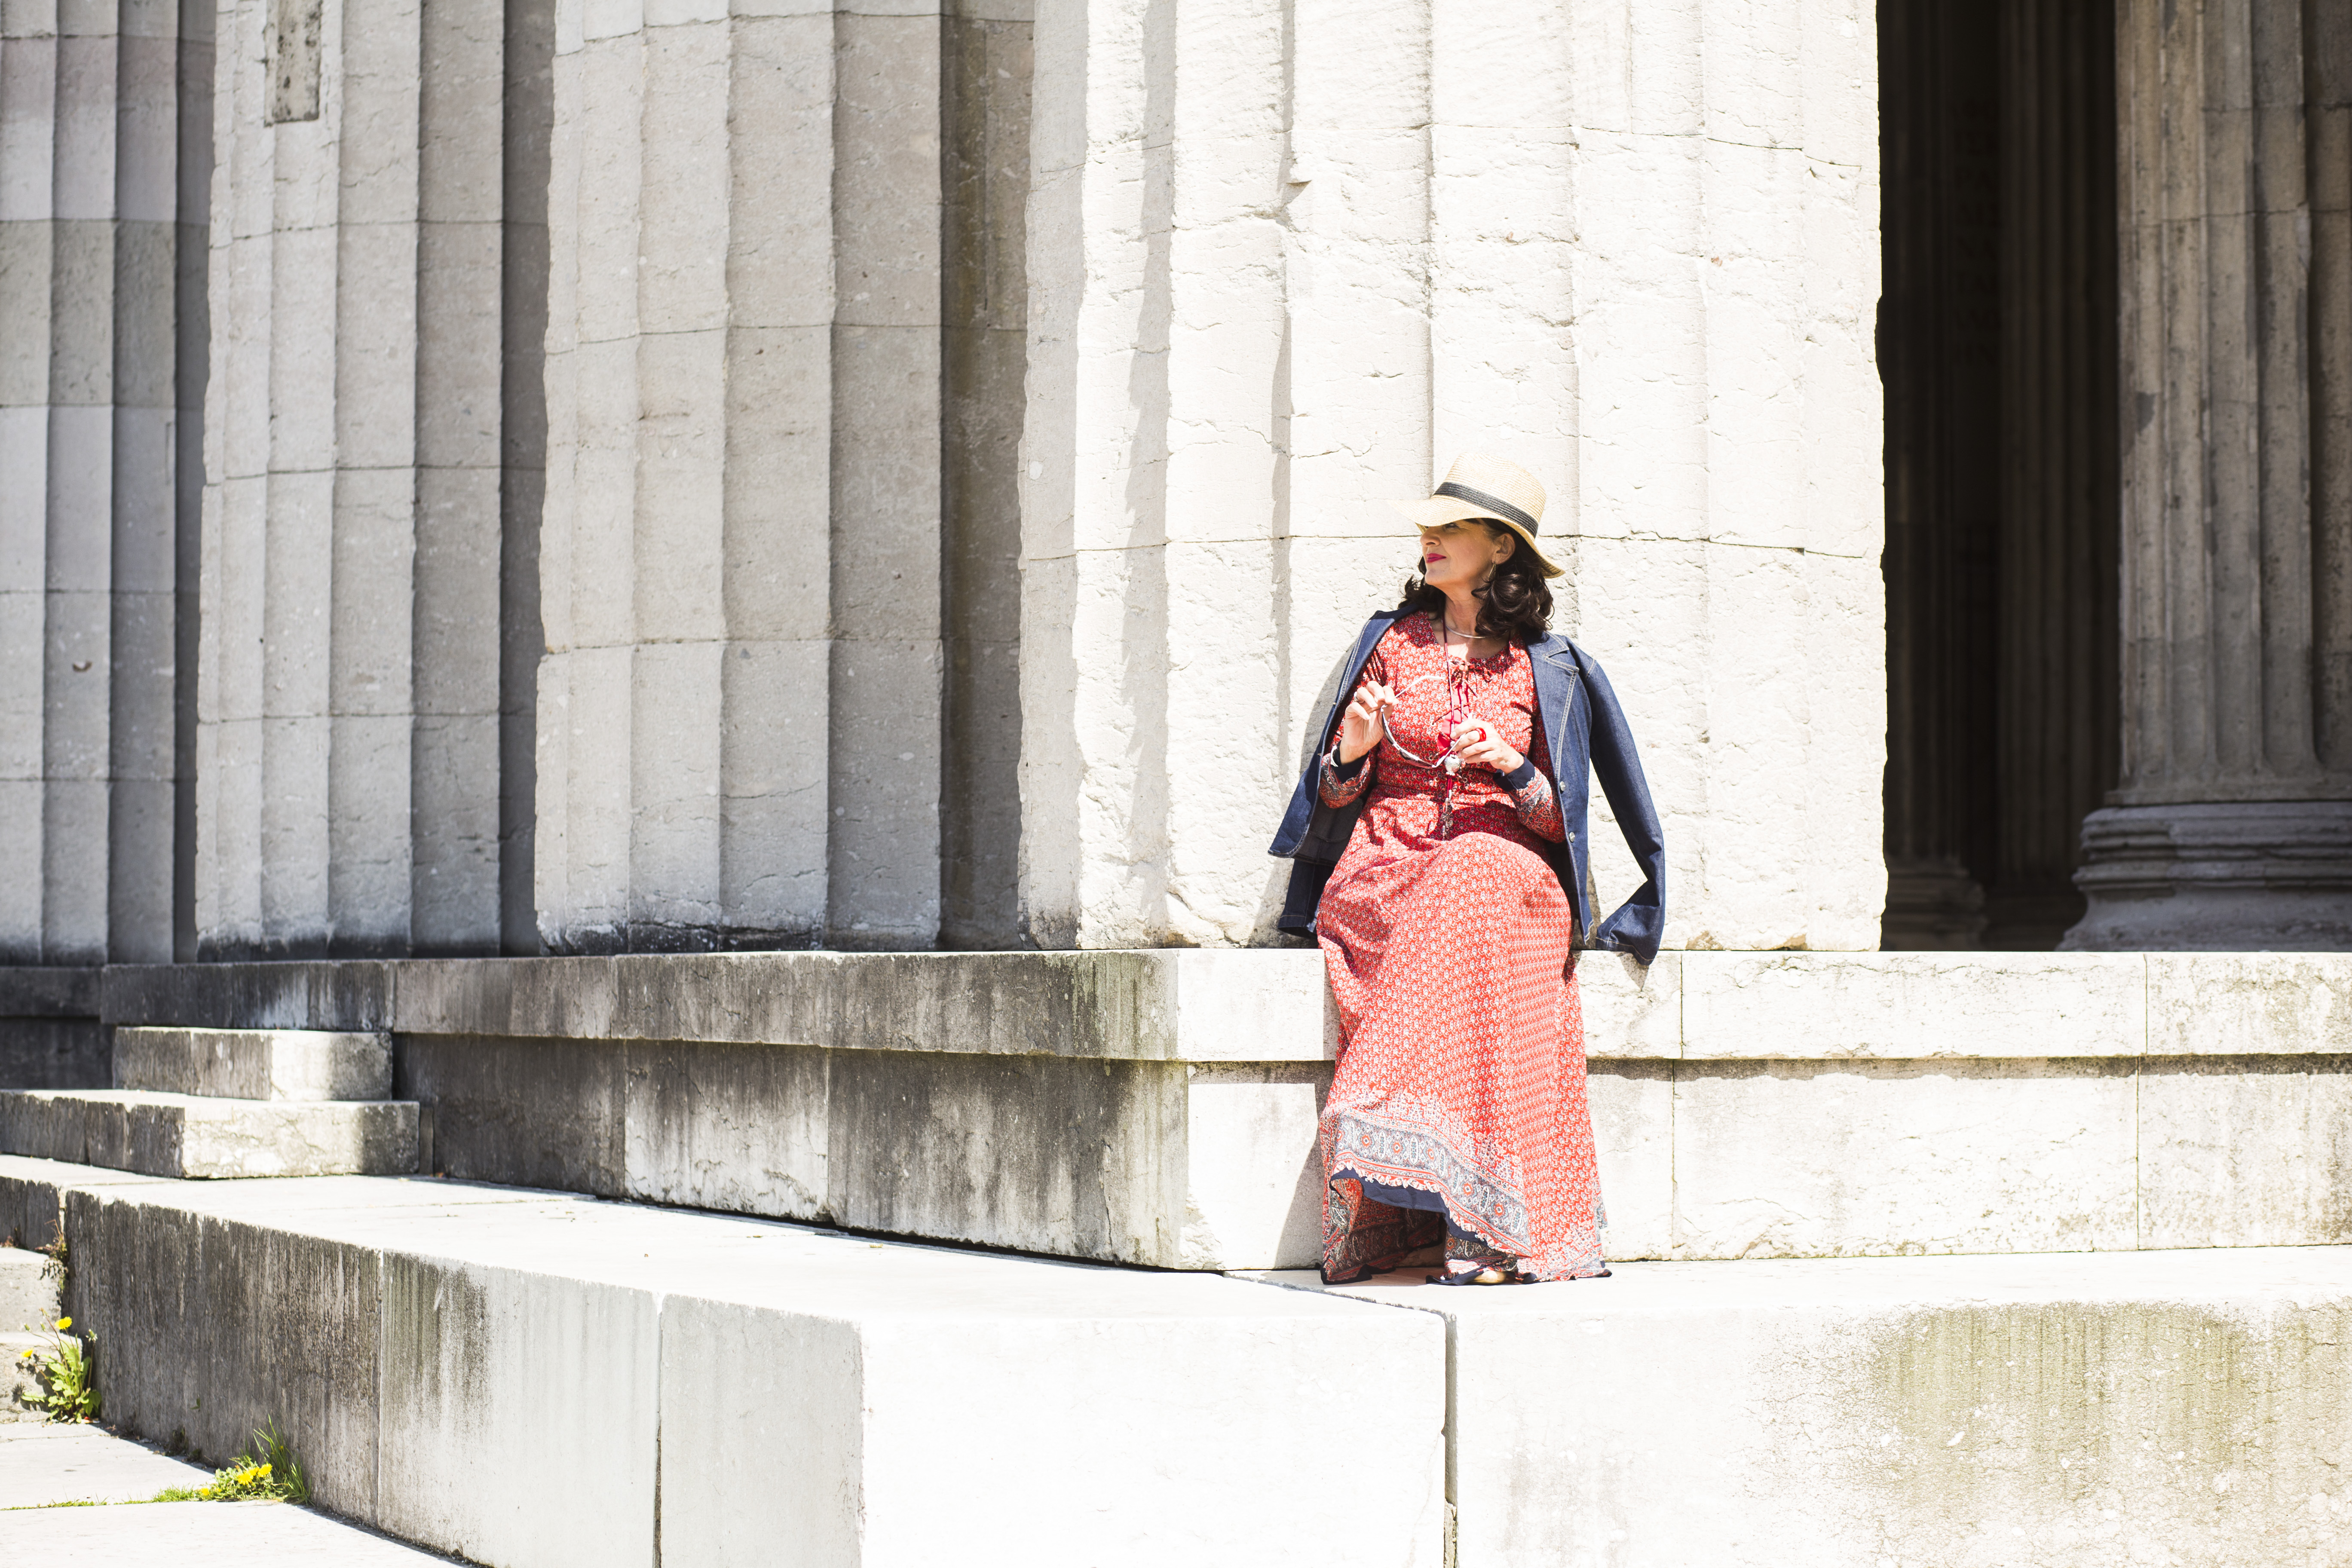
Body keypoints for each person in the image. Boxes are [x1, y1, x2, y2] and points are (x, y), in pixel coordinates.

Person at [1268, 453, 1665, 1285]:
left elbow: (1565, 823)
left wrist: (1516, 770)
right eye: (1428, 527)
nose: (1428, 539)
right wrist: (1352, 752)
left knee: (1478, 871)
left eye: (1448, 528)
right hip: (1385, 870)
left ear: (1500, 548)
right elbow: (1334, 794)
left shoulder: (1547, 666)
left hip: (1508, 871)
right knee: (1459, 900)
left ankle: (1485, 1220)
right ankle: (1470, 1224)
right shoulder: (1389, 643)